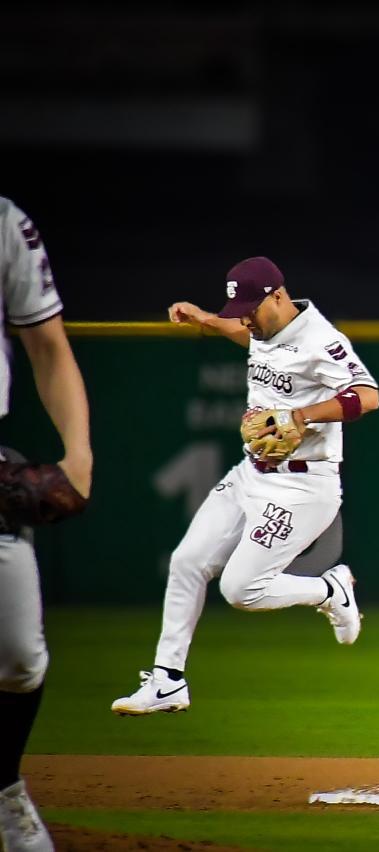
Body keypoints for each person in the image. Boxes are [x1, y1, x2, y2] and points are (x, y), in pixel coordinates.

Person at [111, 256, 379, 715]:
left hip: (303, 486)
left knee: (241, 590)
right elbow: (249, 340)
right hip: (249, 473)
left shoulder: (321, 341)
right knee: (187, 561)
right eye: (242, 311)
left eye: (254, 308)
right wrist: (208, 320)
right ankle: (168, 681)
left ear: (279, 295)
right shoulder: (262, 330)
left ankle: (331, 590)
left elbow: (368, 395)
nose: (248, 319)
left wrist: (301, 415)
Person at [0, 197, 93, 852]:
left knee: (20, 659)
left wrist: (78, 455)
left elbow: (48, 346)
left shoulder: (4, 222)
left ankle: (4, 789)